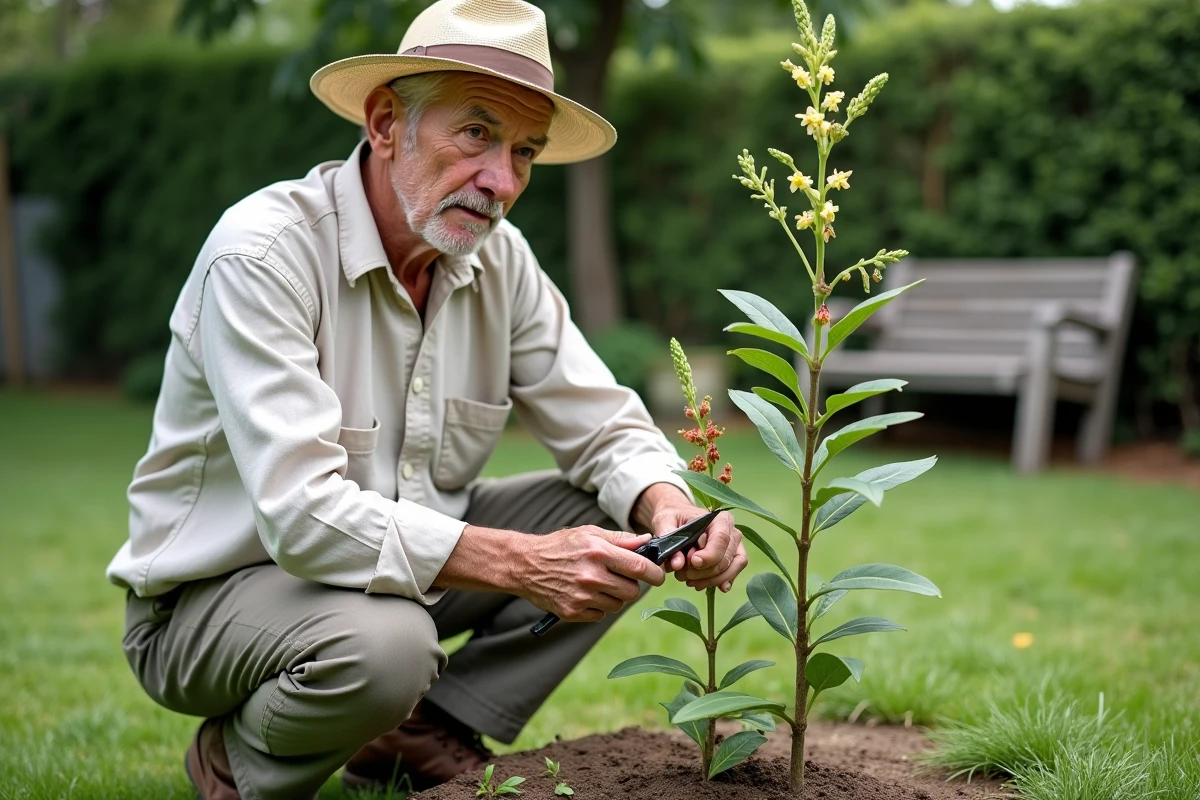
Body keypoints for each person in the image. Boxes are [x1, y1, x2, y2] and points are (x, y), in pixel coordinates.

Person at [105, 0, 747, 797]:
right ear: (383, 123)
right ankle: (237, 760)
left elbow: (603, 421)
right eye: (476, 135)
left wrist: (667, 509)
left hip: (392, 580)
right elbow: (303, 515)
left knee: (616, 519)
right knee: (391, 648)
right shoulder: (262, 255)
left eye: (525, 152)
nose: (501, 181)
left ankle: (417, 732)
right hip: (215, 601)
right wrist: (523, 563)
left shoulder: (498, 260)